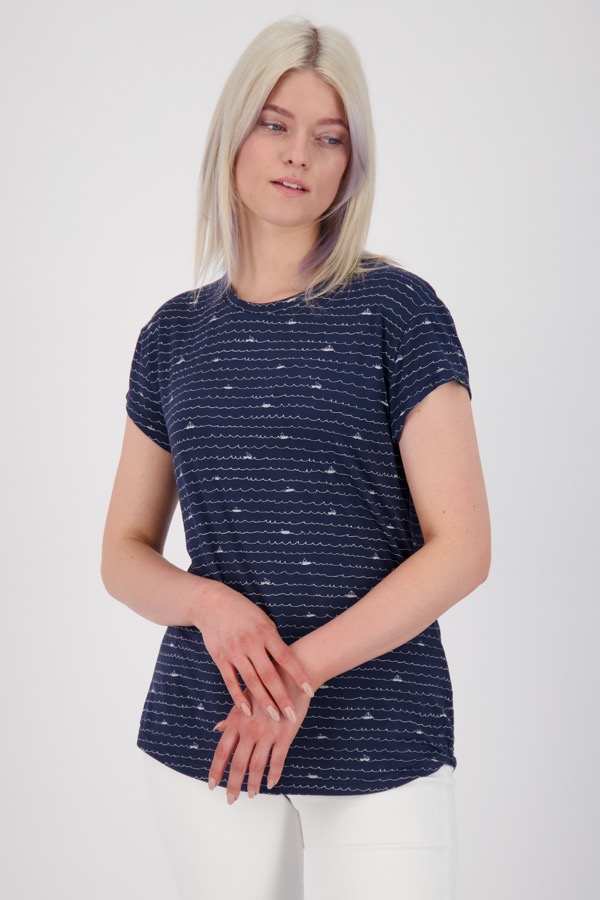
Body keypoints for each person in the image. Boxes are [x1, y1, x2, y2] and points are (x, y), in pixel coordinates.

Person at [101, 17, 491, 900]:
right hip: (208, 733)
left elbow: (463, 547)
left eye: (330, 137)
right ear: (233, 134)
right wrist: (209, 606)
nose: (298, 155)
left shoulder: (399, 311)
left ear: (353, 162)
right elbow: (122, 552)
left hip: (381, 732)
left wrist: (296, 676)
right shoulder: (172, 334)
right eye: (274, 123)